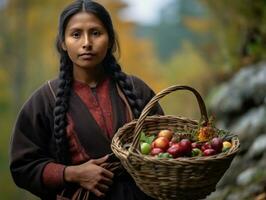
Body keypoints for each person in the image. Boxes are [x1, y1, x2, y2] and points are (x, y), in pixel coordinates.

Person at [9, 0, 163, 199]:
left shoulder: (136, 89)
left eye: (96, 33)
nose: (87, 43)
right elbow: (23, 167)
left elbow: (164, 146)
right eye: (76, 34)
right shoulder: (45, 99)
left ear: (110, 40)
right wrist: (72, 173)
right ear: (63, 43)